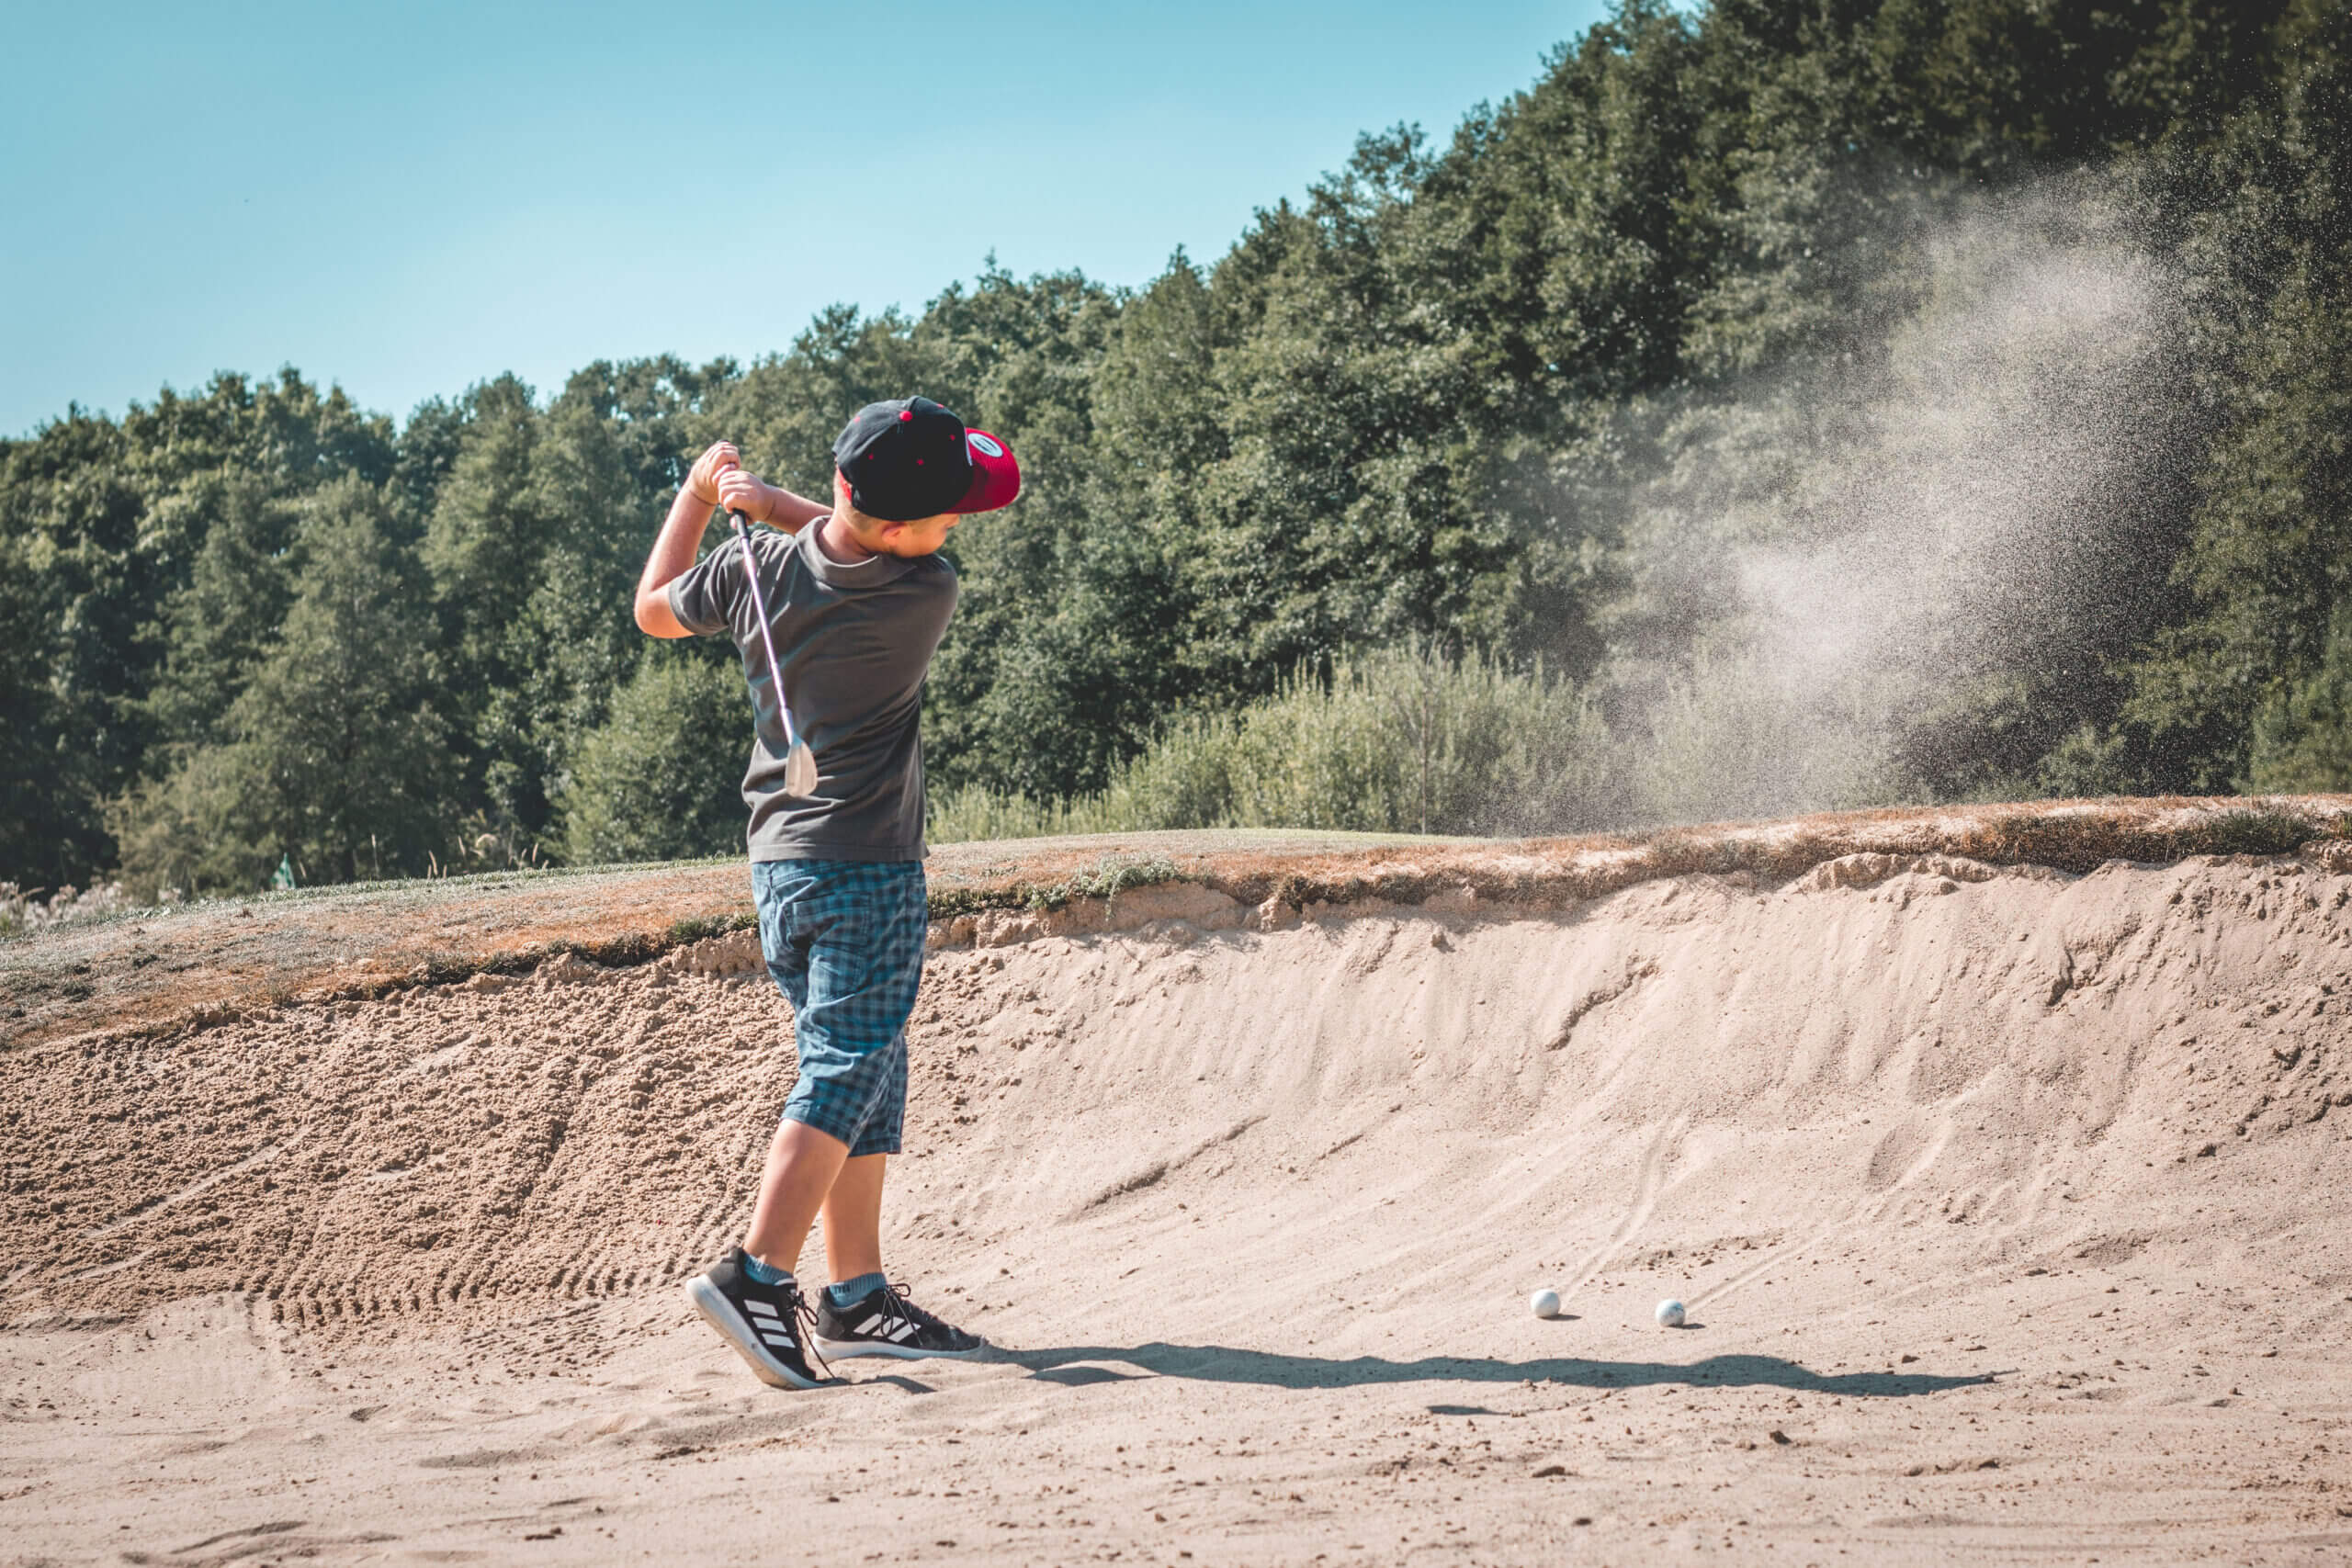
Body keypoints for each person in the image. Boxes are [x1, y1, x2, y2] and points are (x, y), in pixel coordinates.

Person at [632, 397, 1022, 1388]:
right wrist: (773, 504)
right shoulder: (923, 590)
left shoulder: (750, 570)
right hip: (867, 867)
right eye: (949, 514)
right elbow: (864, 539)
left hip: (782, 868)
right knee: (848, 1068)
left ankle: (854, 1298)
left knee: (870, 1073)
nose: (955, 529)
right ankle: (757, 1275)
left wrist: (701, 495)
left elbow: (653, 606)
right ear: (903, 530)